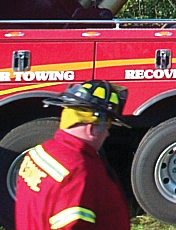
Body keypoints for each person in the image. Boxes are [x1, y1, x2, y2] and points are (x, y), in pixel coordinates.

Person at [16, 80, 131, 230]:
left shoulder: (39, 152)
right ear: (91, 129)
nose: (107, 134)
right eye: (107, 127)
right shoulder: (78, 172)